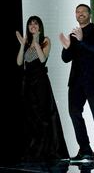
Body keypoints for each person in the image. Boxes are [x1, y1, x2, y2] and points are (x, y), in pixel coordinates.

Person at [16, 15, 69, 162]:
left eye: (36, 23)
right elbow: (20, 62)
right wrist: (22, 45)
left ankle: (48, 150)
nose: (33, 26)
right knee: (31, 117)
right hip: (28, 82)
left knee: (44, 115)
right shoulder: (26, 43)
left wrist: (35, 40)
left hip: (40, 82)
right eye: (30, 24)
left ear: (39, 27)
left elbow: (42, 59)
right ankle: (34, 150)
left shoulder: (45, 40)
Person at [59, 4, 94, 161]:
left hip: (93, 79)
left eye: (83, 12)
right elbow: (66, 58)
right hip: (76, 81)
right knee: (74, 112)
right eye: (77, 12)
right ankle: (84, 149)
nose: (80, 14)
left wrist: (82, 40)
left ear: (89, 14)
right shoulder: (73, 35)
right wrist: (67, 47)